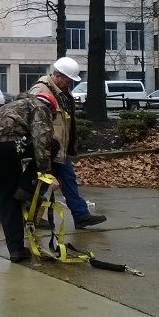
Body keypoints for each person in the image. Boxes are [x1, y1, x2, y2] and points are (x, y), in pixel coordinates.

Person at [0, 92, 60, 263]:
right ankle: (26, 187)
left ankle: (16, 250)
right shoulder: (39, 106)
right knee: (53, 144)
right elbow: (42, 141)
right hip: (12, 145)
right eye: (53, 116)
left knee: (6, 198)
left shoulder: (11, 107)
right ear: (50, 108)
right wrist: (46, 173)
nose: (52, 119)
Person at [28, 57, 107, 229]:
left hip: (59, 149)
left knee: (68, 180)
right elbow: (35, 122)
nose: (70, 82)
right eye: (68, 79)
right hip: (48, 149)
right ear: (58, 75)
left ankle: (80, 215)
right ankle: (31, 215)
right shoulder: (40, 90)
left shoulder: (61, 92)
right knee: (42, 184)